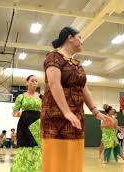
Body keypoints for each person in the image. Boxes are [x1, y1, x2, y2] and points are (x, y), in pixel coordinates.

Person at [41, 26, 109, 172]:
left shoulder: (77, 64)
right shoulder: (53, 57)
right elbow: (54, 84)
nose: (82, 41)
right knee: (56, 161)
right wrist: (66, 112)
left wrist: (95, 112)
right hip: (56, 118)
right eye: (80, 37)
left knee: (73, 159)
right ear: (70, 38)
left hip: (76, 117)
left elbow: (84, 88)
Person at [11, 75, 42, 172]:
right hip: (24, 124)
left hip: (37, 125)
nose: (34, 82)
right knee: (24, 146)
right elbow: (14, 113)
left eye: (36, 81)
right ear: (27, 83)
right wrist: (18, 114)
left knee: (37, 147)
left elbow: (44, 112)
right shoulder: (21, 97)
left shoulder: (41, 97)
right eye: (32, 80)